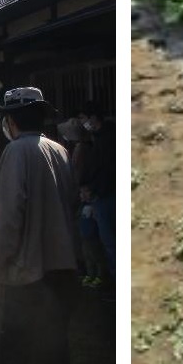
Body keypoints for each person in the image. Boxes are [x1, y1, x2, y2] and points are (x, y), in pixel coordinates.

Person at [0, 87, 80, 364]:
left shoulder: (16, 152)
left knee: (13, 356)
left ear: (10, 120)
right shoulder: (60, 150)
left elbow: (7, 219)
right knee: (54, 357)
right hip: (63, 272)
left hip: (28, 276)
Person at [74, 102, 115, 288]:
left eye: (83, 118)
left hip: (104, 196)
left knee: (110, 245)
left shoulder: (104, 140)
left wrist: (91, 191)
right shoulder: (100, 138)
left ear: (93, 118)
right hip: (101, 195)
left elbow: (104, 171)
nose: (83, 122)